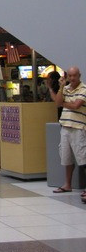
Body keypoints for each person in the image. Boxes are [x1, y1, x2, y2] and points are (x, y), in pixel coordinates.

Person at [49, 67, 86, 196]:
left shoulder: (83, 89)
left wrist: (64, 103)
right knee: (66, 157)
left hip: (78, 128)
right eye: (69, 76)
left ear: (79, 75)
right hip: (65, 127)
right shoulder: (65, 88)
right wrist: (61, 87)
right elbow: (58, 103)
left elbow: (77, 105)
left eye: (74, 75)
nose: (72, 78)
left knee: (83, 158)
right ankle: (67, 184)